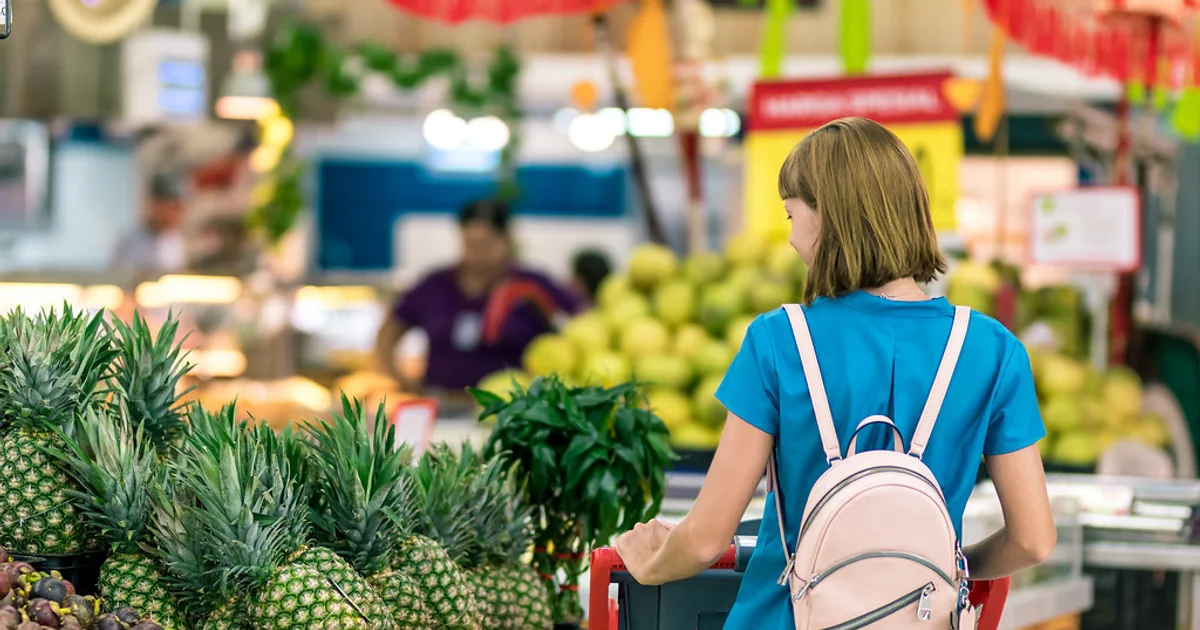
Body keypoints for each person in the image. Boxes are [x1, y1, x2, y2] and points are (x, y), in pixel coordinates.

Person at [613, 117, 1056, 627]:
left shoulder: (779, 340)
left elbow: (707, 536)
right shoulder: (993, 350)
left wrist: (649, 565)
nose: (792, 240)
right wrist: (942, 567)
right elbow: (1033, 539)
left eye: (791, 216)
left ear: (826, 218)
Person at [375, 199, 583, 397]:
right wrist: (401, 381)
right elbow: (388, 333)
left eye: (485, 245)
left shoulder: (532, 286)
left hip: (514, 410)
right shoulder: (434, 285)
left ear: (506, 240)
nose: (477, 254)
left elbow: (582, 322)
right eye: (470, 245)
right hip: (442, 403)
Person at [111, 172, 187, 273]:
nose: (174, 215)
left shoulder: (177, 240)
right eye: (170, 208)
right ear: (155, 205)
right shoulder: (132, 240)